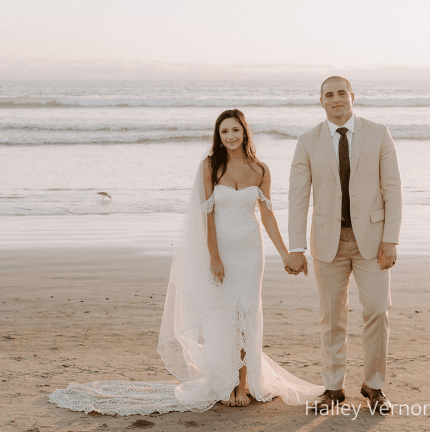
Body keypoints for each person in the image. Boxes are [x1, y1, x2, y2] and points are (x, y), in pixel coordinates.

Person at [48, 109, 323, 416]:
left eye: (235, 130)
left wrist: (285, 253)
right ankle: (226, 381)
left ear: (245, 132)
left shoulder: (261, 170)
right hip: (221, 250)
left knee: (247, 313)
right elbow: (206, 214)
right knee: (223, 316)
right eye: (224, 132)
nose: (230, 136)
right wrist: (214, 257)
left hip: (250, 251)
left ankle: (243, 384)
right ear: (218, 137)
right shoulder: (210, 166)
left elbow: (268, 216)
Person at [285, 76, 402, 415]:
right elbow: (297, 196)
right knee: (331, 317)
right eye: (328, 95)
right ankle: (333, 388)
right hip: (327, 243)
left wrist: (390, 238)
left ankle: (374, 386)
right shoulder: (308, 141)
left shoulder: (379, 133)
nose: (335, 99)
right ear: (321, 101)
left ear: (352, 96)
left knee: (378, 310)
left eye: (341, 93)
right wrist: (295, 247)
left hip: (372, 241)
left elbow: (393, 189)